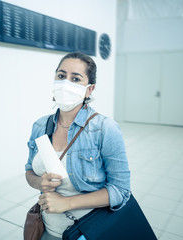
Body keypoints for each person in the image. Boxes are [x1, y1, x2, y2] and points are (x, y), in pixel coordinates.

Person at [25, 52, 131, 240]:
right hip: (47, 230)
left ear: (89, 90)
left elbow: (120, 191)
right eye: (61, 76)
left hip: (87, 232)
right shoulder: (40, 126)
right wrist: (39, 182)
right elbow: (29, 172)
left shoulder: (105, 128)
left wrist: (66, 203)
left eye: (75, 79)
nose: (65, 83)